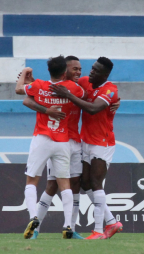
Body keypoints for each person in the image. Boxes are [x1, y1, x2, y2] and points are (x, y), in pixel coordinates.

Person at [50, 57, 123, 240]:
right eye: (91, 69)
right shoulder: (85, 82)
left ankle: (99, 230)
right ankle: (112, 221)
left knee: (96, 183)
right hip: (86, 141)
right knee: (85, 184)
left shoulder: (110, 90)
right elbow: (62, 81)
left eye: (95, 71)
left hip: (102, 142)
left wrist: (69, 95)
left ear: (104, 75)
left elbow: (92, 109)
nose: (90, 73)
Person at [15, 55, 85, 239]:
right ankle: (68, 226)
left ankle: (33, 217)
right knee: (66, 185)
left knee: (32, 181)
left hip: (42, 138)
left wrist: (25, 72)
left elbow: (19, 90)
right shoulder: (73, 88)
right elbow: (81, 96)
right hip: (63, 141)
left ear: (49, 71)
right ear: (64, 72)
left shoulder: (38, 85)